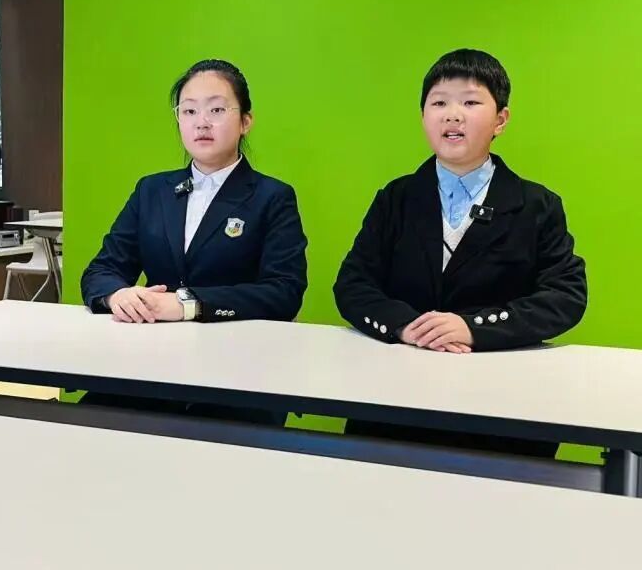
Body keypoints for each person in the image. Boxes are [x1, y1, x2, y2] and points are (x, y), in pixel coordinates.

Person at [334, 48, 587, 456]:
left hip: (502, 409)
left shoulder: (537, 205)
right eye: (439, 103)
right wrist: (405, 325)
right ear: (423, 117)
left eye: (470, 102)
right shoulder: (395, 198)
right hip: (395, 401)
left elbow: (565, 297)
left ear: (501, 119)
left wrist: (473, 327)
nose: (452, 115)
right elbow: (352, 284)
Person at [80, 59, 308, 423]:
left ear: (245, 121)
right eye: (188, 111)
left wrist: (188, 304)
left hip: (240, 373)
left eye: (216, 110)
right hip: (151, 366)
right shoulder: (152, 190)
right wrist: (117, 295)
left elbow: (284, 292)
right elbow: (102, 269)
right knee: (85, 425)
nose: (201, 122)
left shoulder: (272, 197)